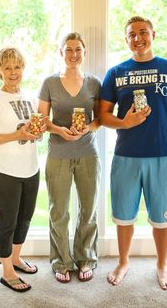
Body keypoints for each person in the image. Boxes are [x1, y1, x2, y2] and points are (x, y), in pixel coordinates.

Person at [99, 16, 167, 290]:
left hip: (161, 155)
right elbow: (103, 116)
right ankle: (123, 261)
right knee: (124, 216)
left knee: (162, 217)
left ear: (154, 34)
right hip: (126, 156)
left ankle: (162, 265)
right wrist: (124, 122)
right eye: (132, 34)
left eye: (143, 32)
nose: (137, 38)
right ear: (126, 39)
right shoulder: (116, 73)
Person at [0, 46, 47, 292]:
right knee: (6, 222)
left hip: (31, 168)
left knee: (24, 220)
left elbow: (33, 129)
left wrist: (36, 134)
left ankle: (16, 258)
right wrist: (17, 134)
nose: (13, 72)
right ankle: (7, 271)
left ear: (23, 69)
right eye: (7, 67)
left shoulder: (29, 97)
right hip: (4, 171)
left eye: (17, 66)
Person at [38, 32, 101, 283]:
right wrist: (58, 129)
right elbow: (42, 120)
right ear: (61, 52)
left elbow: (100, 119)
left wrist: (87, 128)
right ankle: (61, 261)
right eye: (68, 49)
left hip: (87, 154)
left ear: (84, 53)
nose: (73, 54)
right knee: (59, 211)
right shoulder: (49, 83)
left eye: (78, 50)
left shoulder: (94, 83)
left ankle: (85, 259)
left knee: (88, 210)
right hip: (59, 154)